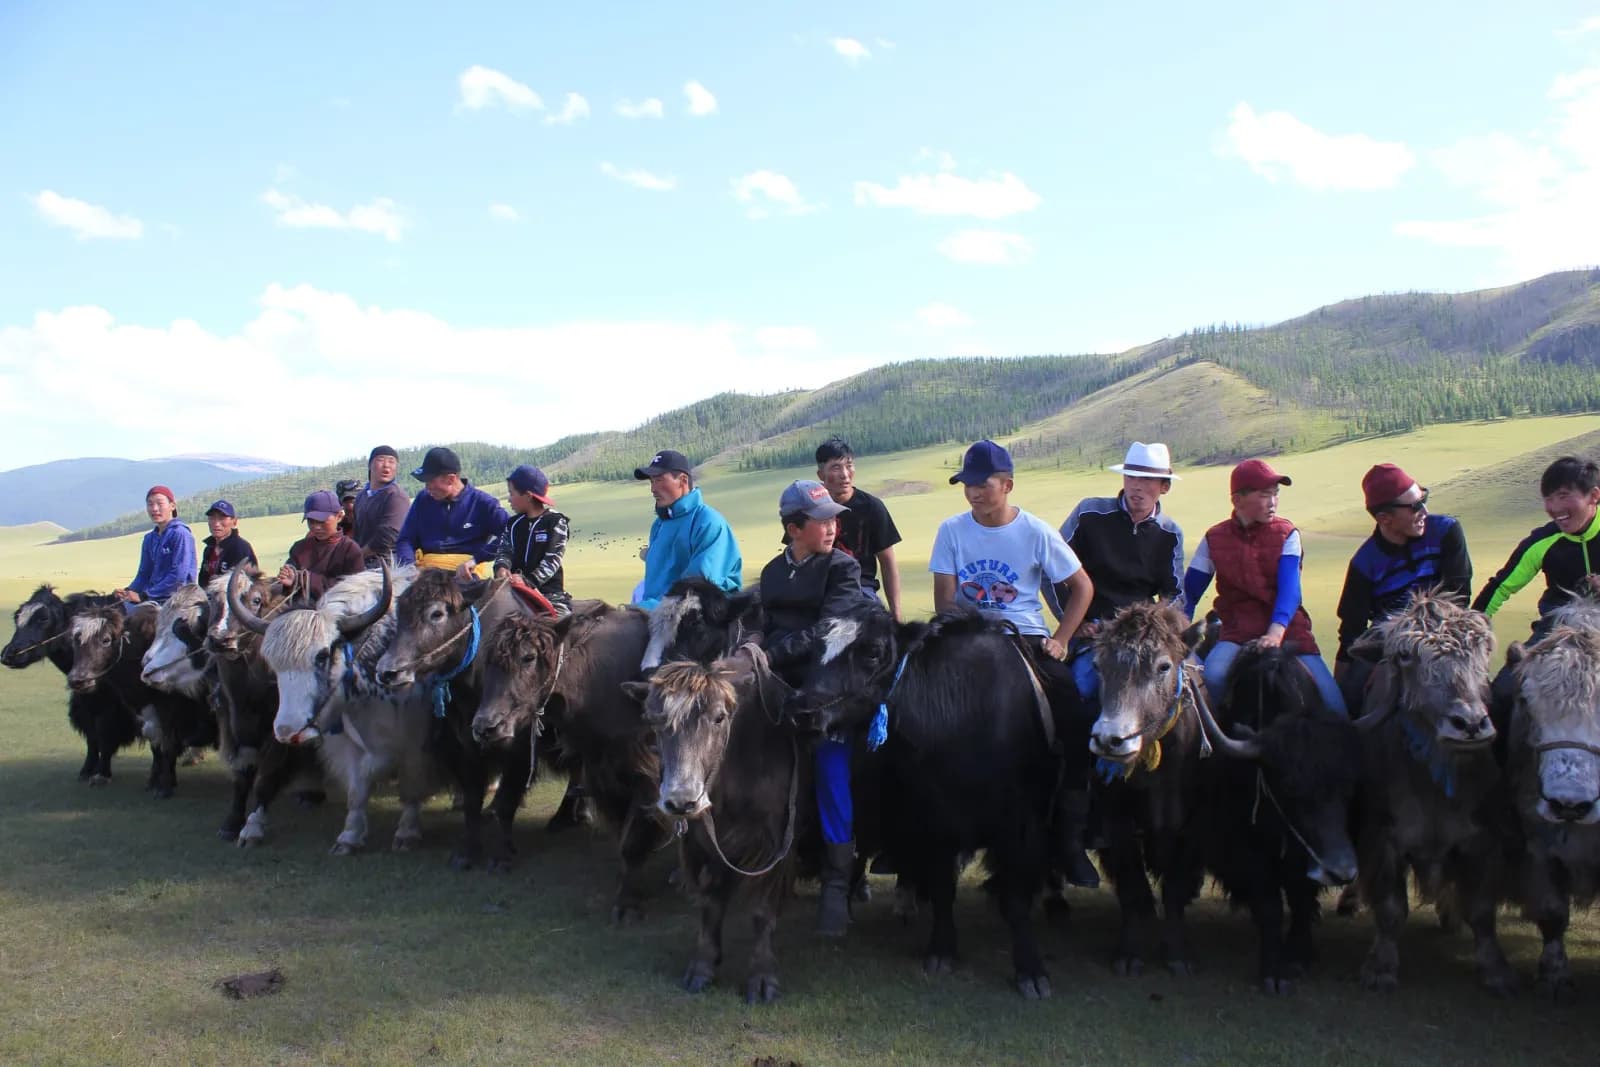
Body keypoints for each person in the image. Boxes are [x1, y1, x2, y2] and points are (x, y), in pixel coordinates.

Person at [929, 440, 1099, 887]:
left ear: (1007, 485)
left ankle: (1070, 839)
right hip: (966, 637)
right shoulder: (951, 530)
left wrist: (1061, 640)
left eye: (981, 485)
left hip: (1025, 638)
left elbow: (1082, 588)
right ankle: (913, 834)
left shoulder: (1036, 531)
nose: (972, 494)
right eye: (966, 485)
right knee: (914, 712)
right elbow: (945, 602)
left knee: (1075, 719)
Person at [760, 480, 867, 936]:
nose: (831, 527)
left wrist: (770, 654)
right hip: (778, 683)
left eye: (833, 519)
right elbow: (759, 626)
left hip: (829, 688)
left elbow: (831, 630)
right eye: (822, 521)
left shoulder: (843, 568)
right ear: (793, 528)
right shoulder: (770, 573)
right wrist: (750, 650)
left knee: (831, 770)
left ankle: (837, 884)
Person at [1182, 459, 1347, 714]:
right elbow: (1190, 591)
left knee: (1335, 706)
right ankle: (1212, 750)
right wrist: (1176, 630)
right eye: (1264, 495)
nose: (1273, 502)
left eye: (1275, 495)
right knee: (1212, 677)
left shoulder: (1287, 534)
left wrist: (1275, 633)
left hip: (1290, 632)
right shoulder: (1214, 538)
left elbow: (1290, 592)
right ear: (1238, 501)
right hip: (1237, 632)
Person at [1049, 441, 1185, 707]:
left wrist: (1151, 630)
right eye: (1131, 476)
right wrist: (1073, 621)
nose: (1136, 486)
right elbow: (1051, 565)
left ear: (1164, 487)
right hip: (1094, 634)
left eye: (1148, 479)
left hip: (1141, 639)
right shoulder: (1089, 513)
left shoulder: (1169, 533)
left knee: (1186, 688)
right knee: (1081, 686)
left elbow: (1175, 595)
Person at [1475, 456, 1600, 742]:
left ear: (1594, 495)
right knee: (1504, 692)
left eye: (1563, 496)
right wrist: (1473, 628)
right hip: (1555, 631)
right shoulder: (1541, 542)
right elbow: (1501, 588)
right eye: (1548, 498)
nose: (1554, 508)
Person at [1335, 463, 1472, 708]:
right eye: (1414, 506)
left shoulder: (1447, 531)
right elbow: (1351, 631)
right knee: (1351, 702)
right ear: (1384, 518)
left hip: (1446, 636)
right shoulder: (1364, 563)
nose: (1424, 511)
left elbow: (1458, 598)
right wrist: (1343, 691)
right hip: (1388, 645)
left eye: (1423, 499)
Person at [631, 449, 742, 611]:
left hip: (702, 620)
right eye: (651, 481)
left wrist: (644, 610)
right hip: (659, 614)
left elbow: (697, 588)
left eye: (659, 480)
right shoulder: (659, 525)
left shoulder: (707, 521)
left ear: (682, 481)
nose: (653, 489)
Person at [812, 437, 903, 620]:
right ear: (821, 475)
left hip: (861, 590)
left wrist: (896, 615)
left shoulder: (872, 507)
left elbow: (888, 563)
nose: (845, 474)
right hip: (817, 589)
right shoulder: (810, 507)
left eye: (849, 466)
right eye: (836, 467)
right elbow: (796, 553)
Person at [394, 447, 509, 579]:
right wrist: (409, 569)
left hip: (467, 578)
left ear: (451, 479)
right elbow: (405, 539)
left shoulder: (484, 503)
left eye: (430, 481)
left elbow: (510, 536)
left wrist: (476, 560)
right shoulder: (422, 499)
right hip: (423, 576)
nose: (427, 487)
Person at [494, 465, 573, 617]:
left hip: (548, 594)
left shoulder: (555, 522)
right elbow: (505, 551)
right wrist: (501, 567)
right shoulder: (513, 524)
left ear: (528, 496)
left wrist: (528, 581)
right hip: (513, 592)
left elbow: (552, 560)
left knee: (559, 630)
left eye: (512, 493)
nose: (509, 499)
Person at [113, 486, 197, 607]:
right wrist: (127, 592)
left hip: (177, 600)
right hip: (152, 598)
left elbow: (178, 576)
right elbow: (143, 574)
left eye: (160, 504)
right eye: (150, 504)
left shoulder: (180, 534)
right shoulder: (149, 539)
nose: (154, 509)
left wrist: (144, 596)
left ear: (172, 506)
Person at [278, 490, 365, 603]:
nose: (316, 527)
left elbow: (353, 591)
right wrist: (287, 579)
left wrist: (304, 579)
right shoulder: (299, 549)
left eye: (322, 521)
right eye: (311, 521)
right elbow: (288, 585)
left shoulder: (350, 550)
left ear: (339, 516)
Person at [354, 445, 411, 567]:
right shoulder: (361, 496)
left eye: (391, 461)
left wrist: (358, 556)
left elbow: (388, 537)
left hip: (389, 563)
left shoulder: (396, 496)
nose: (386, 465)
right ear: (370, 465)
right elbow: (357, 533)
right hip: (362, 561)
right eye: (381, 460)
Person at [198, 499, 257, 583]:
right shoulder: (209, 549)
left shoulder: (241, 548)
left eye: (222, 518)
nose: (216, 523)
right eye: (212, 518)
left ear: (234, 522)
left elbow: (251, 582)